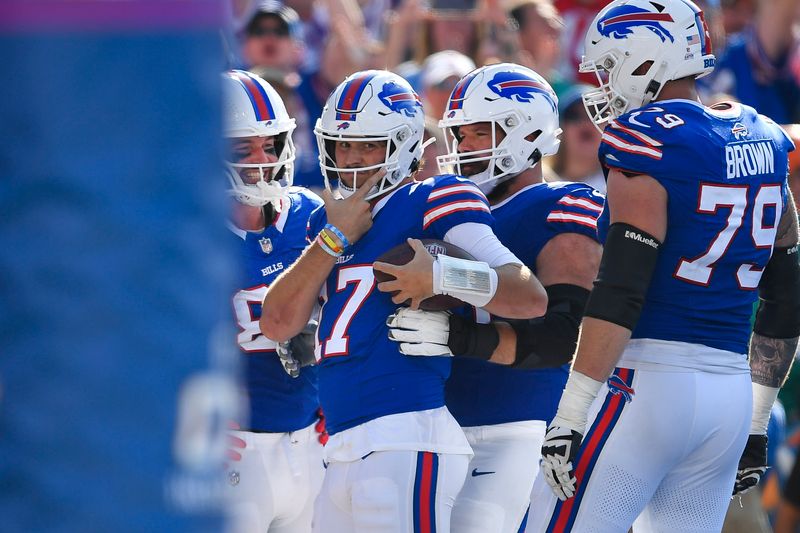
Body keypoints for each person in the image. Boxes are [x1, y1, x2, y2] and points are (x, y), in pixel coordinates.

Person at [525, 1, 800, 531]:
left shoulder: (648, 139)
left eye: (609, 67)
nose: (603, 84)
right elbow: (786, 294)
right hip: (728, 398)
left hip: (647, 383)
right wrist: (758, 421)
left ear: (646, 60)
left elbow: (622, 286)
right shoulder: (763, 136)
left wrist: (572, 411)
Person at [260, 69, 548, 532]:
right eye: (342, 144)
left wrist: (443, 275)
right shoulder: (324, 222)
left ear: (403, 145)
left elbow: (527, 294)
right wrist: (333, 239)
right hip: (339, 444)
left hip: (407, 436)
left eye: (368, 145)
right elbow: (276, 322)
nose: (351, 159)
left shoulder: (434, 197)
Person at [385, 63, 604, 533]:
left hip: (516, 425)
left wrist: (455, 335)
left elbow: (562, 339)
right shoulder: (455, 211)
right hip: (440, 426)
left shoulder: (562, 203)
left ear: (522, 132)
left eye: (475, 135)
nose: (460, 149)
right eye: (458, 136)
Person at [222, 69, 325, 533]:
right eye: (243, 148)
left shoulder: (309, 213)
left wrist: (336, 402)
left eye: (270, 143)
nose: (262, 160)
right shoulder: (185, 234)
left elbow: (355, 315)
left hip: (310, 441)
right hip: (236, 452)